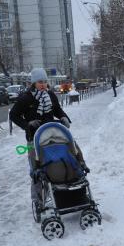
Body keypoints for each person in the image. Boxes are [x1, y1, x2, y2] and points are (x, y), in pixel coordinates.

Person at [9, 68, 89, 208]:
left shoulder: (50, 95)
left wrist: (63, 117)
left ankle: (67, 185)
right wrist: (27, 124)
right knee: (37, 168)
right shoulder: (26, 98)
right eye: (40, 82)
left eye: (45, 82)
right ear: (33, 83)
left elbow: (57, 109)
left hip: (52, 134)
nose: (43, 84)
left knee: (62, 157)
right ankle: (38, 200)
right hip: (33, 139)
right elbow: (13, 115)